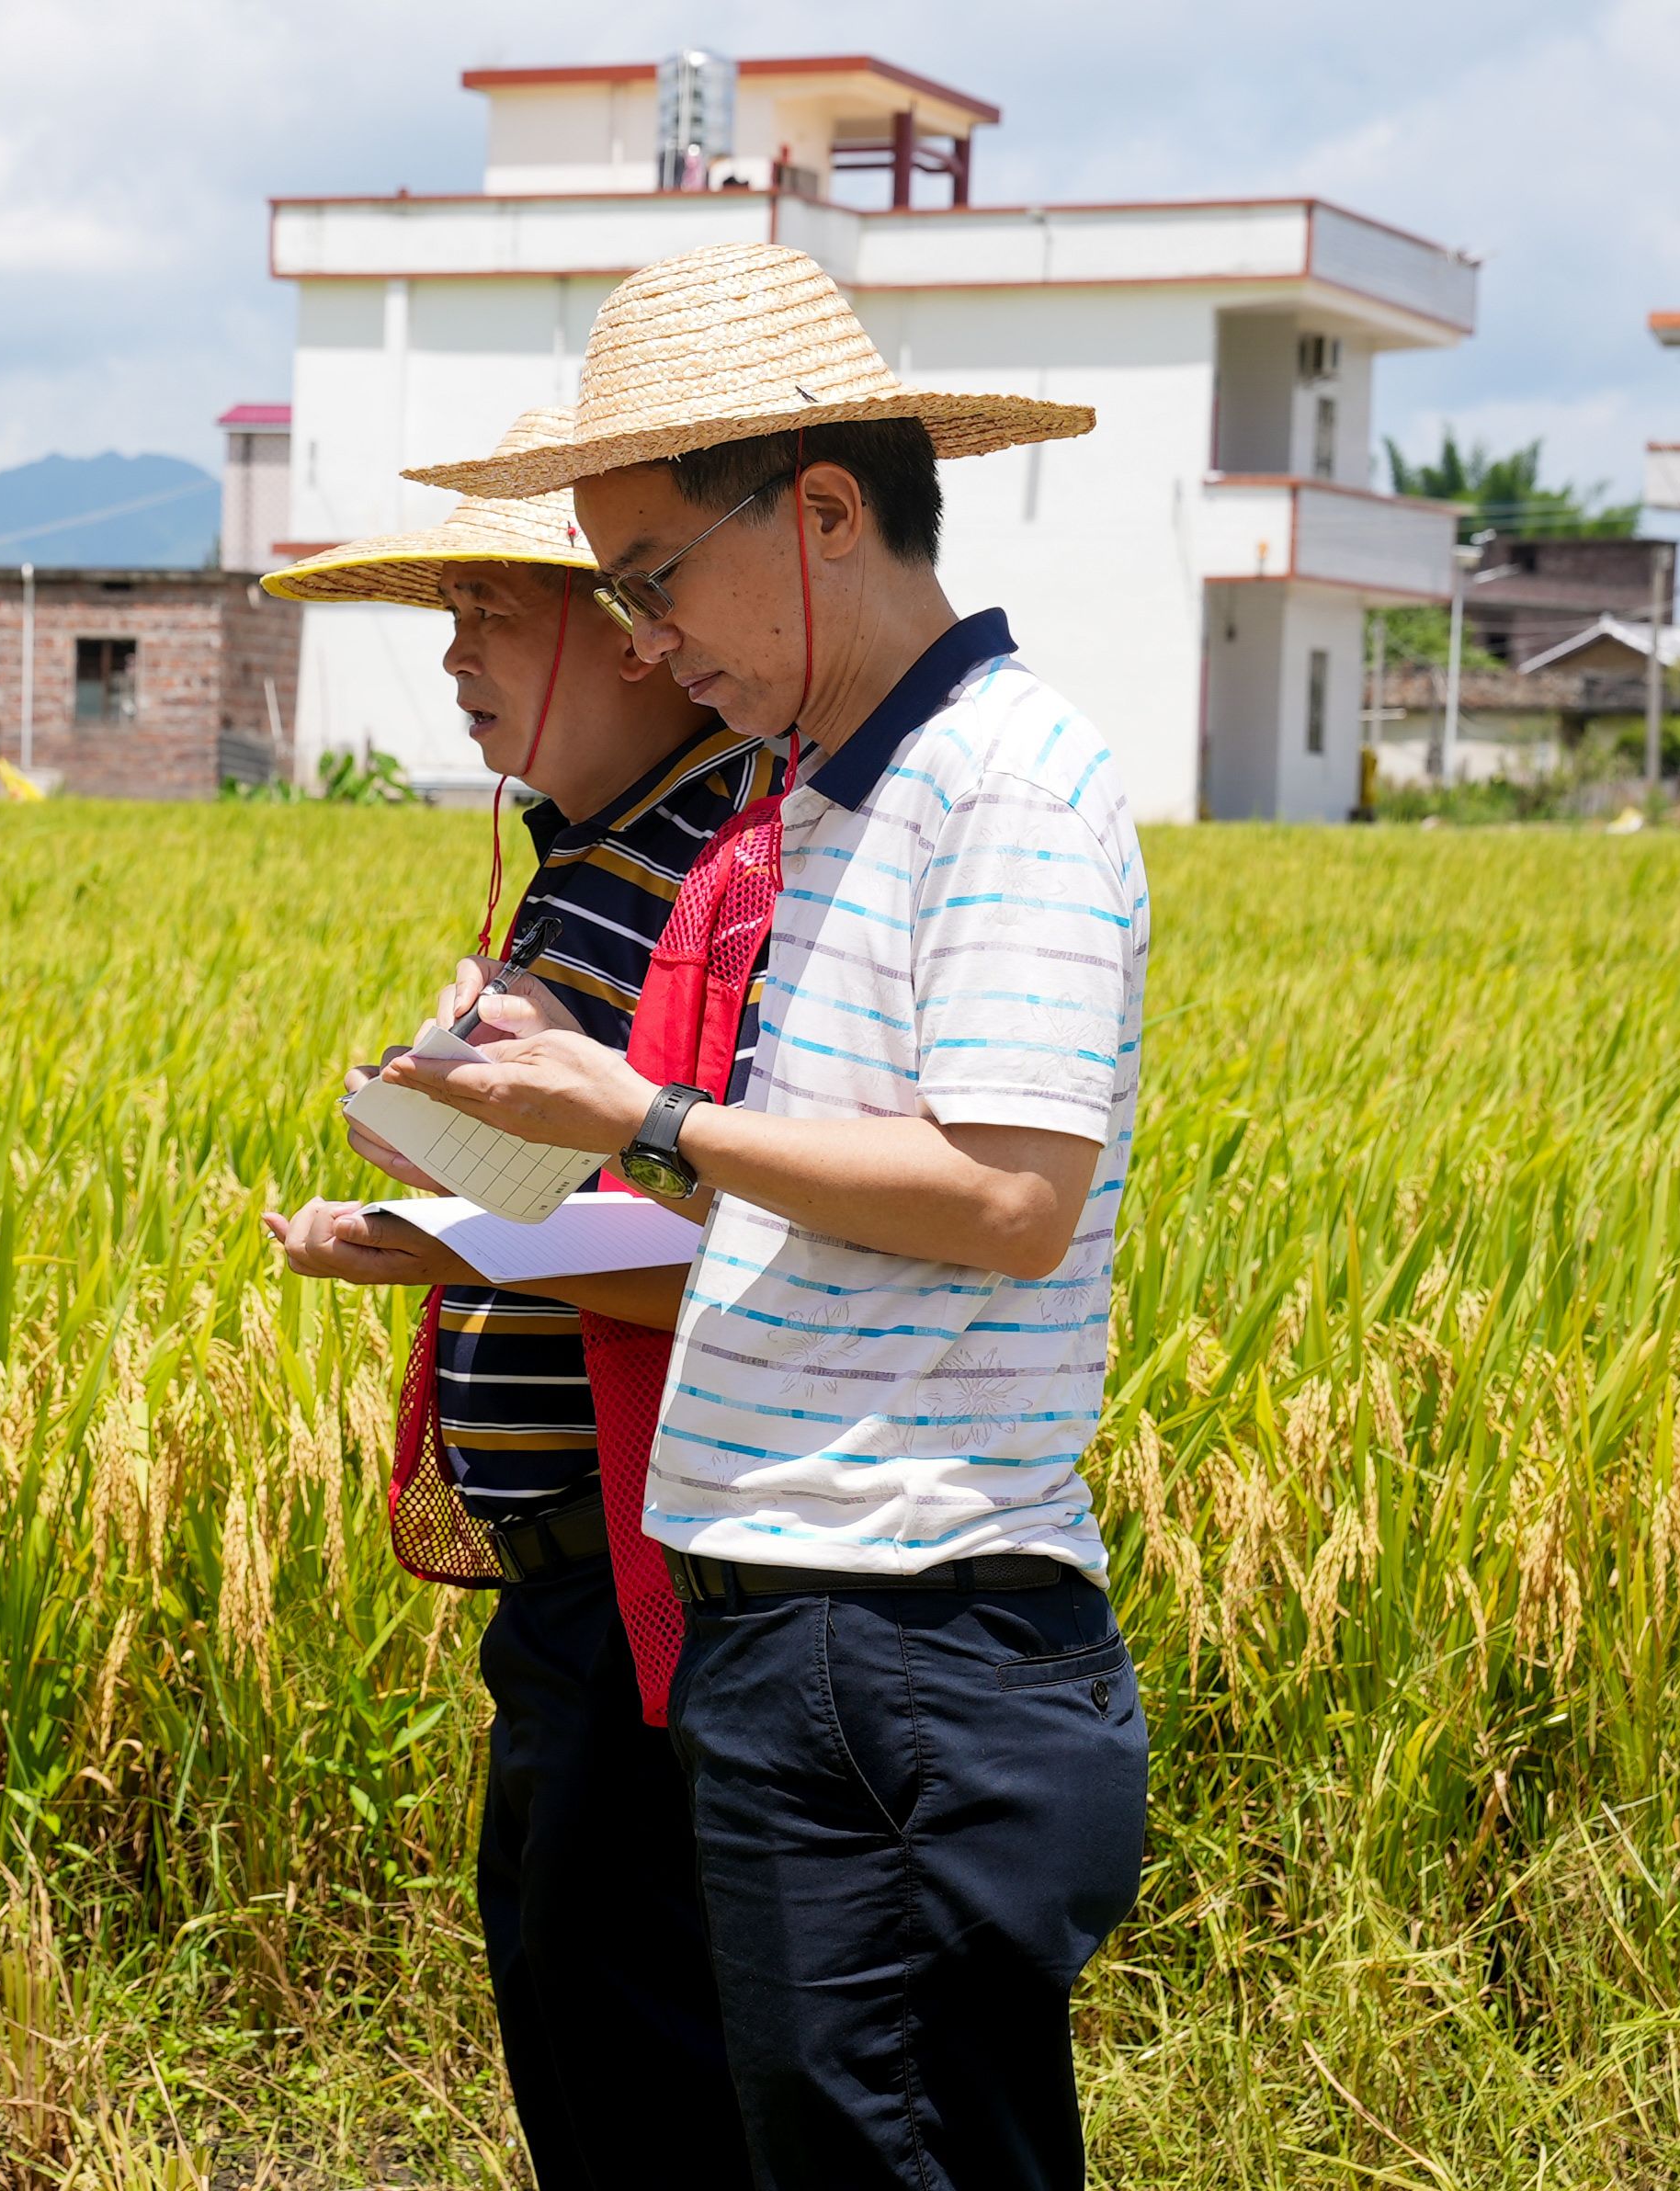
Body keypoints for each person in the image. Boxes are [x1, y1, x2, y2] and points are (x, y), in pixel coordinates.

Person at [391, 242, 1153, 2189]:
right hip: (783, 1634)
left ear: (819, 512)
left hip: (895, 1646)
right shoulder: (821, 807)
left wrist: (639, 1111)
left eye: (648, 577)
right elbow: (799, 1194)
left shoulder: (1002, 785)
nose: (640, 642)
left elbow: (1003, 1193)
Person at [254, 408, 763, 2188]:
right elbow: (605, 1180)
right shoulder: (590, 862)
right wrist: (445, 1174)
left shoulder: (719, 879)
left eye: (495, 613)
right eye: (447, 616)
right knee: (574, 2022)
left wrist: (467, 1211)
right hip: (565, 1593)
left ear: (639, 634)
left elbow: (729, 1217)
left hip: (663, 1605)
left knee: (645, 2064)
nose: (455, 657)